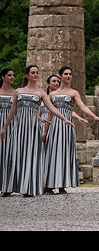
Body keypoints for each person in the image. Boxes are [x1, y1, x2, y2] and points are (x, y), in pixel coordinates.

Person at [0, 65, 73, 197]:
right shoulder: (18, 91)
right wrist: (5, 128)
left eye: (37, 73)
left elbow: (52, 108)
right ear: (27, 75)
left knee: (31, 156)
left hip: (33, 128)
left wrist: (64, 119)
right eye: (33, 72)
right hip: (19, 128)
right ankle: (8, 187)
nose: (35, 74)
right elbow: (12, 111)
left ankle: (29, 188)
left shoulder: (41, 93)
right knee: (16, 156)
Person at [42, 66, 99, 194]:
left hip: (66, 127)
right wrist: (45, 131)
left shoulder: (73, 93)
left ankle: (61, 185)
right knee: (52, 154)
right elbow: (50, 113)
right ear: (60, 76)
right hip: (54, 126)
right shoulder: (52, 94)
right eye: (66, 74)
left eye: (70, 74)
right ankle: (49, 184)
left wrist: (94, 116)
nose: (68, 76)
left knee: (64, 154)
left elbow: (82, 107)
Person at [0, 68, 16, 193]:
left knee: (8, 154)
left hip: (11, 125)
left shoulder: (16, 93)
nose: (12, 77)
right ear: (3, 77)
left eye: (13, 75)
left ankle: (7, 187)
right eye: (9, 75)